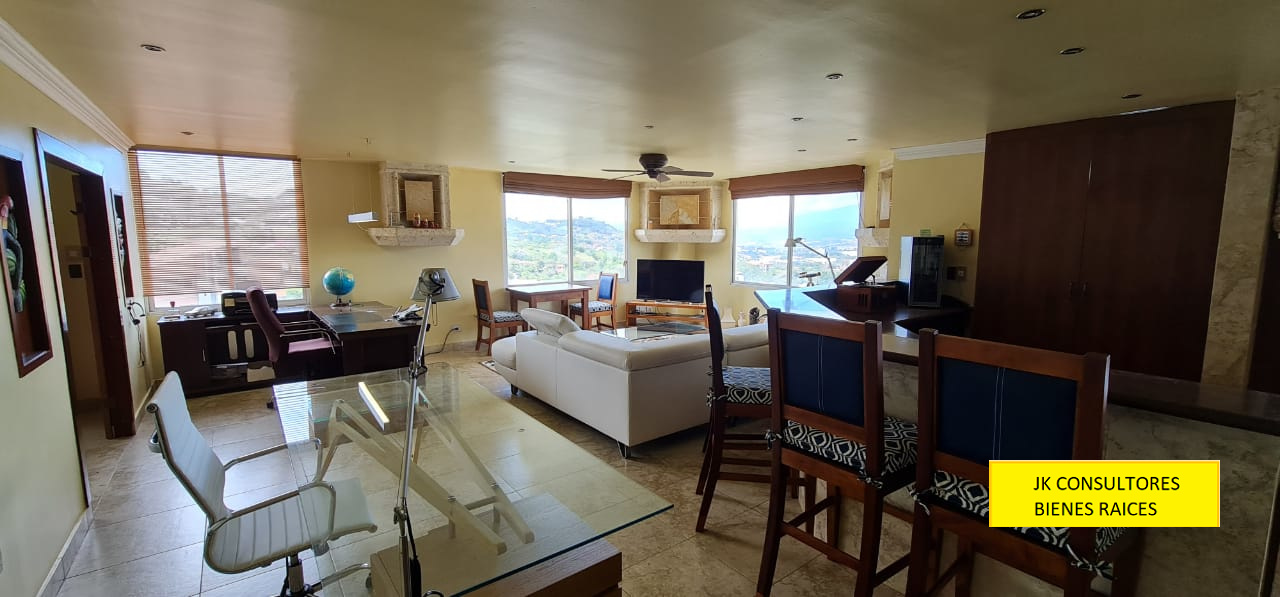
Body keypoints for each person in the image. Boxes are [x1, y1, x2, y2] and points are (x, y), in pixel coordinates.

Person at [1, 195, 25, 312]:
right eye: (3, 204)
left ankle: (16, 294)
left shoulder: (6, 223)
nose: (5, 208)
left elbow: (17, 248)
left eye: (8, 207)